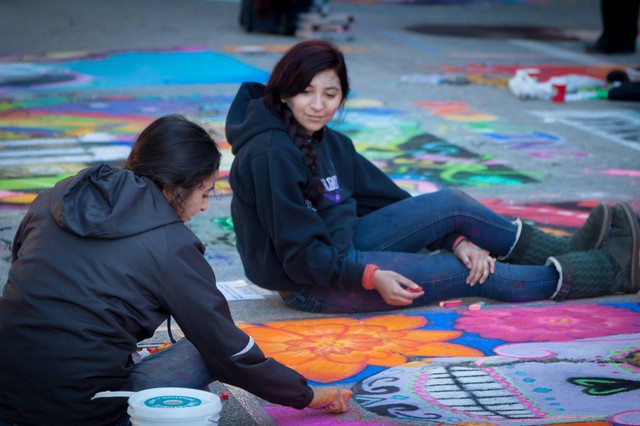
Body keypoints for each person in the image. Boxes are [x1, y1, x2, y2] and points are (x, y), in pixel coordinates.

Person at [225, 39, 639, 314]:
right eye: (306, 92)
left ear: (342, 97)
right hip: (311, 281)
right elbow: (302, 257)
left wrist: (458, 241)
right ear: (282, 93)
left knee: (451, 206)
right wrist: (370, 276)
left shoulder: (330, 142)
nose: (318, 105)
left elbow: (393, 202)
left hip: (342, 248)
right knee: (467, 275)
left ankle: (574, 249)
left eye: (330, 94)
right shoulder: (270, 154)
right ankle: (601, 271)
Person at [0, 114, 352, 426]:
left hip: (8, 390)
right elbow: (229, 351)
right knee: (205, 347)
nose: (203, 207)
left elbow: (23, 269)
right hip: (81, 410)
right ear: (175, 186)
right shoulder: (171, 245)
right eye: (205, 192)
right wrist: (306, 395)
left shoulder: (57, 195)